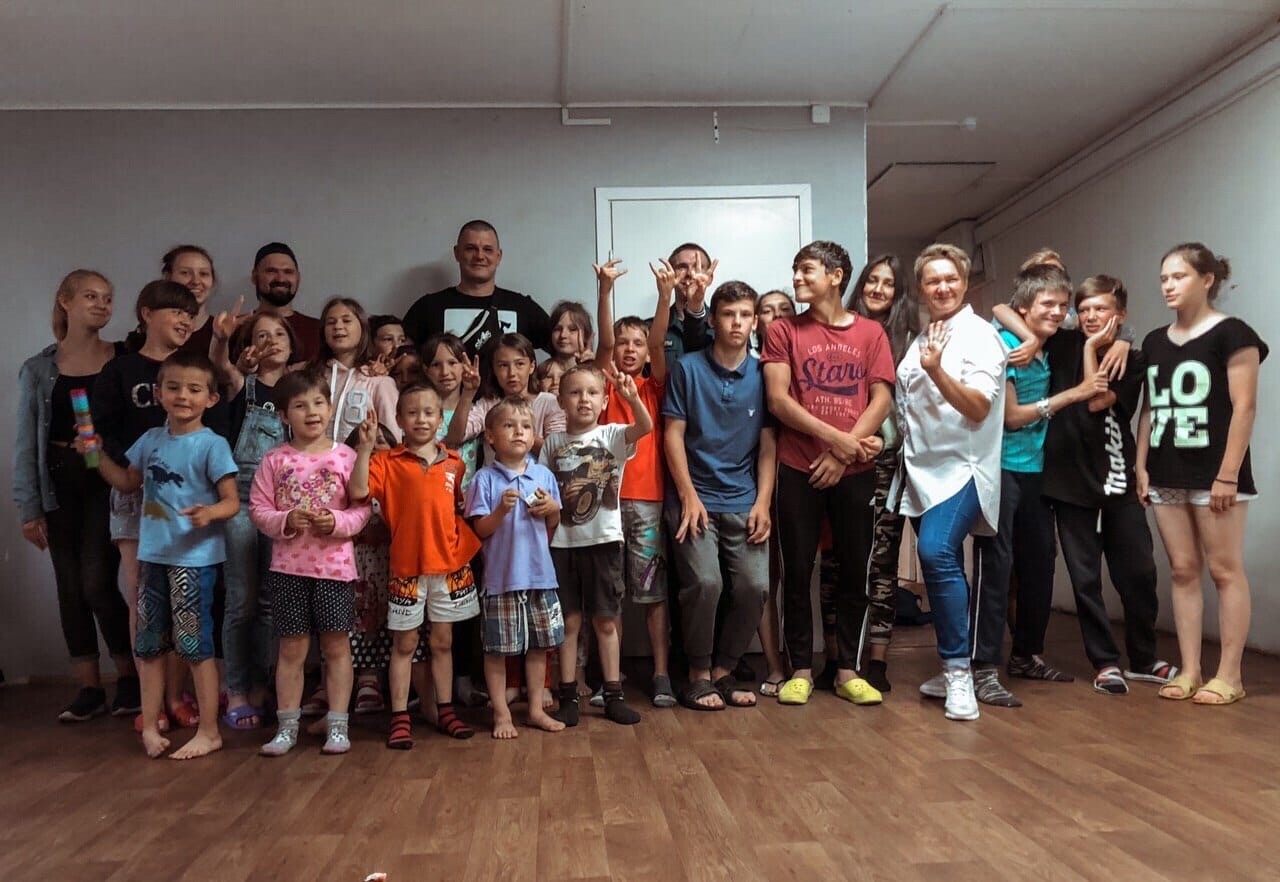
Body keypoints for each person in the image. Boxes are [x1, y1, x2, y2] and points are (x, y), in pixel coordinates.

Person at [995, 276, 1175, 695]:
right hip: (1066, 480)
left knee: (1138, 571)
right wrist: (1034, 338)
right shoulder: (1059, 343)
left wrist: (1106, 345)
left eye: (1102, 309)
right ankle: (1105, 662)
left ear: (1120, 315)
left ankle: (1144, 658)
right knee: (1084, 577)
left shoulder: (1132, 359)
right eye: (1085, 309)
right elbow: (1003, 309)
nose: (1092, 316)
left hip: (1116, 476)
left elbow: (1097, 400)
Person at [86, 350, 240, 758]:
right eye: (173, 387)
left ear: (211, 398)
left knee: (195, 646)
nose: (182, 395)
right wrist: (94, 454)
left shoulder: (213, 444)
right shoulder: (150, 440)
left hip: (194, 561)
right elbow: (126, 482)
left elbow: (231, 502)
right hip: (152, 556)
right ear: (158, 393)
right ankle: (151, 727)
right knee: (150, 646)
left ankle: (209, 731)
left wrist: (209, 513)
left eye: (194, 389)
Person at [761, 241, 894, 707]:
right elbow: (778, 400)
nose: (797, 278)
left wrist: (843, 453)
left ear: (836, 276)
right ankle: (799, 669)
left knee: (855, 570)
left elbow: (881, 399)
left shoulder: (871, 333)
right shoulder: (783, 331)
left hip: (854, 471)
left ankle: (847, 671)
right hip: (797, 467)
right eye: (795, 270)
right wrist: (836, 440)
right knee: (797, 571)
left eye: (807, 270)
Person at [1138, 243, 1266, 706]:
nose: (1168, 286)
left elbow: (1244, 407)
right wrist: (1140, 465)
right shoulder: (1154, 341)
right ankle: (1190, 669)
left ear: (1207, 279)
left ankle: (1230, 675)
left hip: (1215, 473)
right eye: (1164, 278)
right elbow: (1150, 408)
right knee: (1182, 569)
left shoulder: (1234, 334)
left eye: (1179, 276)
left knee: (1224, 570)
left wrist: (1228, 474)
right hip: (1165, 471)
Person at [970, 265, 1102, 707]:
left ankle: (1027, 654)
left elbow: (1110, 325)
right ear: (1024, 307)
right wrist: (1073, 394)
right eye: (1048, 304)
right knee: (996, 567)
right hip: (999, 470)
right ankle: (982, 667)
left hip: (1035, 473)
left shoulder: (1048, 345)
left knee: (1041, 564)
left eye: (1062, 306)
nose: (1058, 312)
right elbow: (1011, 417)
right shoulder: (1005, 344)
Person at [15, 270, 137, 722]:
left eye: (107, 298)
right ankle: (88, 687)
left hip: (106, 480)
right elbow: (26, 444)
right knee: (69, 588)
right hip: (59, 482)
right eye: (90, 296)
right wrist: (29, 508)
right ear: (65, 301)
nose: (102, 304)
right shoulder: (38, 369)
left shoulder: (122, 359)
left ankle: (129, 677)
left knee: (97, 583)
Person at [892, 244, 1006, 722]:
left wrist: (937, 371)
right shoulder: (923, 336)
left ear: (964, 283)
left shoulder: (980, 336)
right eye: (932, 280)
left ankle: (960, 673)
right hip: (920, 472)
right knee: (943, 570)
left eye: (950, 279)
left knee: (936, 552)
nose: (942, 287)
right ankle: (949, 666)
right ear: (921, 289)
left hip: (964, 468)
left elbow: (979, 407)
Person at [92, 280, 201, 732]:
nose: (184, 320)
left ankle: (175, 696)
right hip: (135, 492)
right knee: (143, 595)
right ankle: (149, 700)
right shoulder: (120, 370)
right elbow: (100, 435)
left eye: (190, 315)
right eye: (175, 311)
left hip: (184, 496)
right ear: (146, 314)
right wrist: (119, 463)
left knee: (182, 595)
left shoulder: (193, 370)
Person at [351, 385, 484, 748]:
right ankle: (399, 717)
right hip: (406, 570)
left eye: (428, 413)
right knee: (405, 643)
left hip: (450, 568)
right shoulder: (385, 462)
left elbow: (456, 508)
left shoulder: (455, 462)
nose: (421, 419)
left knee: (443, 641)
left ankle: (445, 710)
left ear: (440, 419)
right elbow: (358, 492)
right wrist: (364, 450)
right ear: (399, 419)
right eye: (412, 413)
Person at [663, 280, 776, 710]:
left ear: (754, 321)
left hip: (744, 498)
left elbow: (768, 447)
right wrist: (688, 496)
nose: (737, 323)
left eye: (745, 315)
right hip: (694, 498)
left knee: (754, 586)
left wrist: (763, 502)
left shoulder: (764, 373)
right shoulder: (687, 368)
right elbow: (672, 435)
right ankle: (698, 674)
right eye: (728, 314)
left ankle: (725, 669)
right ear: (712, 320)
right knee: (705, 583)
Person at [251, 370, 372, 756]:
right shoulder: (274, 459)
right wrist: (286, 520)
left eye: (319, 403)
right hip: (288, 569)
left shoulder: (347, 457)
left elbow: (363, 508)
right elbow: (258, 510)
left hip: (335, 570)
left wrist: (336, 522)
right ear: (284, 416)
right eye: (300, 406)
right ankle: (287, 727)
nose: (312, 412)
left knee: (336, 647)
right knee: (291, 650)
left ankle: (338, 725)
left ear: (330, 408)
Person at [542, 364, 652, 726]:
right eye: (574, 393)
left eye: (592, 392)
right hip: (562, 545)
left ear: (604, 400)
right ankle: (568, 696)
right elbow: (541, 487)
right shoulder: (552, 444)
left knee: (605, 620)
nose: (583, 399)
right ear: (561, 401)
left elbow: (645, 427)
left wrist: (633, 399)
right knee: (569, 622)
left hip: (604, 543)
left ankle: (613, 694)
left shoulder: (611, 435)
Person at [593, 257, 680, 708]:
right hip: (605, 504)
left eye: (637, 343)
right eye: (623, 342)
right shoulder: (603, 386)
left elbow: (660, 340)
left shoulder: (654, 386)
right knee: (610, 594)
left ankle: (661, 673)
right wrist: (605, 291)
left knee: (653, 592)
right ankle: (612, 677)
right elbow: (605, 345)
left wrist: (666, 297)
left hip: (647, 501)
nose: (628, 349)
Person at [210, 309, 297, 728]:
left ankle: (262, 685)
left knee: (268, 604)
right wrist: (221, 340)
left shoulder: (300, 390)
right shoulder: (241, 382)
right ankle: (237, 690)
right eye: (261, 335)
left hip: (282, 508)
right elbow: (219, 366)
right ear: (248, 347)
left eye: (279, 333)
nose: (272, 341)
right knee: (240, 601)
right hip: (242, 503)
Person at [465, 396, 567, 738]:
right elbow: (480, 530)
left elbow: (553, 523)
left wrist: (552, 509)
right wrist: (500, 512)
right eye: (509, 426)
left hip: (541, 577)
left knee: (540, 646)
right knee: (497, 650)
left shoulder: (543, 475)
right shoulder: (484, 479)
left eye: (525, 426)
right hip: (501, 580)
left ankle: (535, 709)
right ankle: (501, 713)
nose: (519, 432)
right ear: (490, 436)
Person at [848, 255, 920, 693]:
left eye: (888, 283)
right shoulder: (841, 331)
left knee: (882, 563)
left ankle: (877, 660)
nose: (878, 289)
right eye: (872, 280)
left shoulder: (909, 341)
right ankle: (841, 659)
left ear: (898, 293)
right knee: (841, 561)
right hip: (844, 455)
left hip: (890, 463)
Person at [402, 220, 551, 375]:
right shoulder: (428, 307)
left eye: (487, 249)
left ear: (498, 256)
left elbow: (563, 348)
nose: (479, 256)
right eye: (470, 248)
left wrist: (552, 377)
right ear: (457, 253)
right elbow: (399, 359)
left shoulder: (522, 307)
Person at [750, 289, 795, 695]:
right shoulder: (747, 367)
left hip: (800, 474)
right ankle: (773, 664)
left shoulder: (804, 361)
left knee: (794, 571)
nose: (776, 317)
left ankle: (798, 662)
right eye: (767, 310)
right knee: (764, 578)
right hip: (753, 478)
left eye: (785, 310)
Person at [444, 332, 566, 466]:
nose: (512, 373)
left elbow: (559, 454)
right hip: (494, 478)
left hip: (537, 479)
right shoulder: (488, 404)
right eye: (503, 365)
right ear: (494, 369)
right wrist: (468, 392)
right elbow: (454, 438)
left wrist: (517, 432)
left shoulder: (548, 402)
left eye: (520, 364)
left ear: (531, 366)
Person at [239, 242, 321, 363]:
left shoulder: (319, 329)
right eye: (271, 271)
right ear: (255, 276)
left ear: (298, 278)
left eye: (288, 272)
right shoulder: (236, 327)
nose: (281, 279)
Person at [661, 243, 717, 364]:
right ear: (670, 274)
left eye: (698, 267)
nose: (690, 273)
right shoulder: (651, 327)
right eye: (682, 267)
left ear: (710, 277)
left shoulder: (723, 326)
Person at [163, 245, 219, 357]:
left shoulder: (223, 333)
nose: (196, 281)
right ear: (167, 277)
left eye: (203, 274)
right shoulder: (153, 331)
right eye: (185, 273)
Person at [547, 300, 595, 370]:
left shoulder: (595, 367)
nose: (563, 335)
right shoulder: (543, 371)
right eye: (558, 329)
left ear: (586, 336)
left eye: (572, 329)